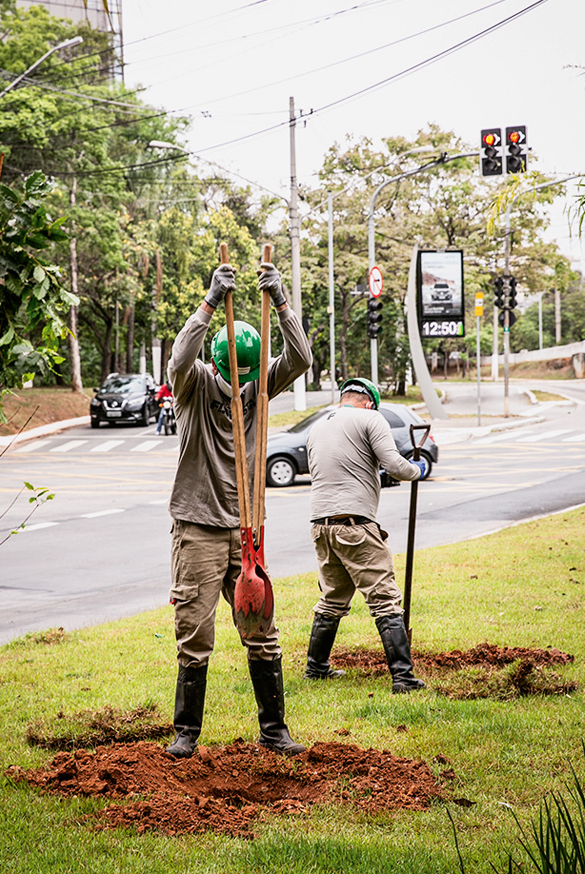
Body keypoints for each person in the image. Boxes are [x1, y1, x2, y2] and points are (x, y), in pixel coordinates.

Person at [165, 259, 312, 759]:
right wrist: (208, 303)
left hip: (248, 527)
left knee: (262, 629)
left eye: (246, 378)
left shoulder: (259, 389)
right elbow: (178, 359)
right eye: (236, 376)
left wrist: (283, 304)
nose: (241, 386)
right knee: (195, 629)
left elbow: (302, 359)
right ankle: (187, 731)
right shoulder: (195, 385)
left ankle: (274, 730)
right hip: (200, 526)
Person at [304, 376, 427, 694]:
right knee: (384, 598)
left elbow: (339, 468)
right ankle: (403, 677)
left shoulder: (318, 425)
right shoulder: (371, 417)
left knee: (332, 598)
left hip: (321, 525)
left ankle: (315, 669)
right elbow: (394, 464)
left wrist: (375, 478)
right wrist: (416, 470)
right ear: (369, 401)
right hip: (355, 526)